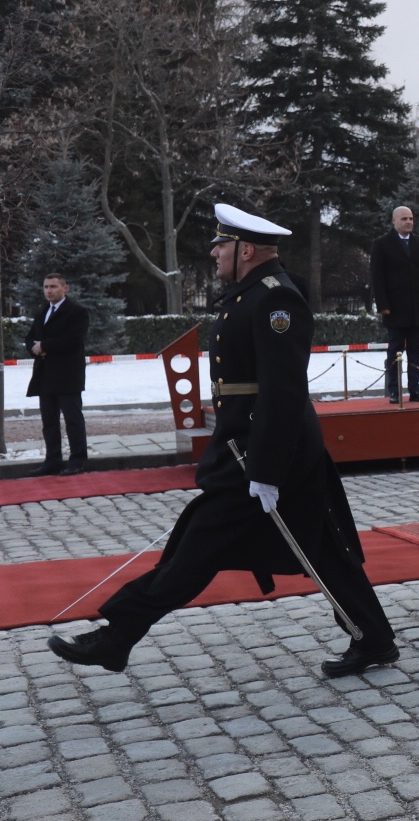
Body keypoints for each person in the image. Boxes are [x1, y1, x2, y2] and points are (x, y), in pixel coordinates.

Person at [49, 205, 397, 678]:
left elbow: (283, 390)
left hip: (268, 454)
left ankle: (116, 635)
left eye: (221, 244)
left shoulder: (277, 300)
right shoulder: (247, 295)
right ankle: (374, 639)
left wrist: (267, 470)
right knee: (321, 550)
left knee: (200, 548)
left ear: (246, 249)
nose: (213, 253)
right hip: (249, 449)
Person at [369, 206, 419, 403]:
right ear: (394, 221)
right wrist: (382, 304)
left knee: (416, 350)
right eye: (404, 219)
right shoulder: (382, 244)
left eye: (411, 219)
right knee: (395, 350)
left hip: (417, 307)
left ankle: (415, 389)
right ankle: (394, 390)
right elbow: (377, 276)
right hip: (395, 307)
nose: (409, 222)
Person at [26, 273, 89, 476]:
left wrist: (44, 346)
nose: (49, 290)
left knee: (72, 419)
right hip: (44, 375)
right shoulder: (42, 311)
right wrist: (34, 348)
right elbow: (30, 338)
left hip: (68, 374)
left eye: (53, 286)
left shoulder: (77, 312)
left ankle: (77, 460)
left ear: (65, 288)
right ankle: (52, 460)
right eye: (45, 287)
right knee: (49, 421)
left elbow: (74, 340)